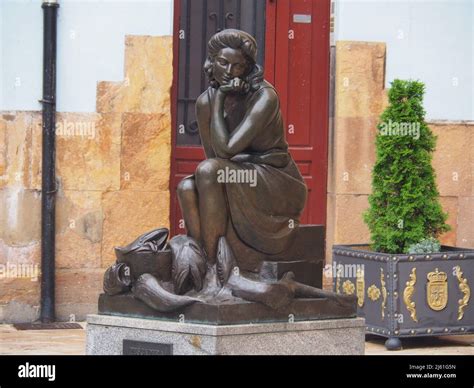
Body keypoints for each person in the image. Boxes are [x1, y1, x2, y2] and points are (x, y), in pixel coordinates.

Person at [177, 29, 307, 265]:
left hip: (275, 179)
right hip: (239, 173)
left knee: (208, 171)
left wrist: (219, 100)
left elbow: (226, 151)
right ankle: (204, 264)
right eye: (223, 63)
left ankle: (219, 269)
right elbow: (215, 156)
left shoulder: (264, 97)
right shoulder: (204, 102)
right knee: (187, 187)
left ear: (247, 69)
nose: (228, 72)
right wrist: (216, 100)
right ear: (211, 62)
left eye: (237, 66)